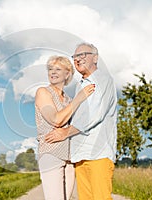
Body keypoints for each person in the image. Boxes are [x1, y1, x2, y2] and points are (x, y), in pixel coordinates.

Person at [45, 43, 117, 200]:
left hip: (98, 154)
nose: (78, 59)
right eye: (75, 56)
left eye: (83, 55)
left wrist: (65, 132)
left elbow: (95, 114)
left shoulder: (102, 80)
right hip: (81, 155)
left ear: (95, 58)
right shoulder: (80, 86)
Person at [35, 55, 95, 200]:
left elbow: (80, 125)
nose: (53, 72)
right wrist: (79, 98)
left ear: (67, 74)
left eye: (58, 69)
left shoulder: (68, 99)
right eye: (50, 69)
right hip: (51, 153)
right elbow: (56, 120)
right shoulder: (43, 92)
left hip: (69, 157)